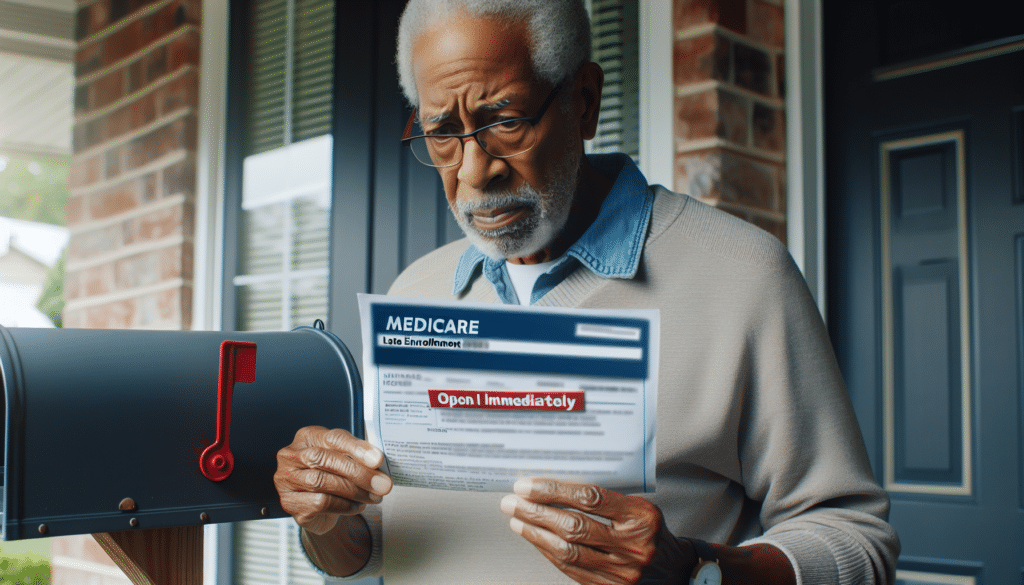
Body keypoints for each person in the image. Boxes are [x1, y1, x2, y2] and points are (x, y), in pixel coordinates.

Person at [274, 0, 900, 583]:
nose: (474, 170)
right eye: (443, 132)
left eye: (506, 120)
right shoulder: (416, 289)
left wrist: (695, 570)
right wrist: (326, 519)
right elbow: (369, 550)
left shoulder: (745, 273)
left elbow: (858, 541)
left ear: (585, 99)